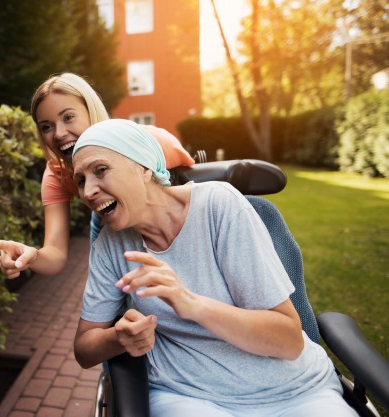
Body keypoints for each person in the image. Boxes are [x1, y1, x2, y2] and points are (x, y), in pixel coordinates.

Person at [72, 119, 357, 417]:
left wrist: (192, 304)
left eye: (100, 170)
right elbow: (84, 348)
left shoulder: (219, 207)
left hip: (297, 393)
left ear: (144, 167)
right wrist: (117, 338)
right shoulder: (110, 245)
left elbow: (288, 341)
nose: (88, 191)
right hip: (190, 398)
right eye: (80, 180)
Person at [0, 73, 194, 278]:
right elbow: (55, 254)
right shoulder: (56, 174)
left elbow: (192, 183)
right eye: (47, 127)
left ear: (90, 110)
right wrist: (31, 257)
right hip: (111, 226)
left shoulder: (143, 142)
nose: (58, 134)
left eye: (68, 117)